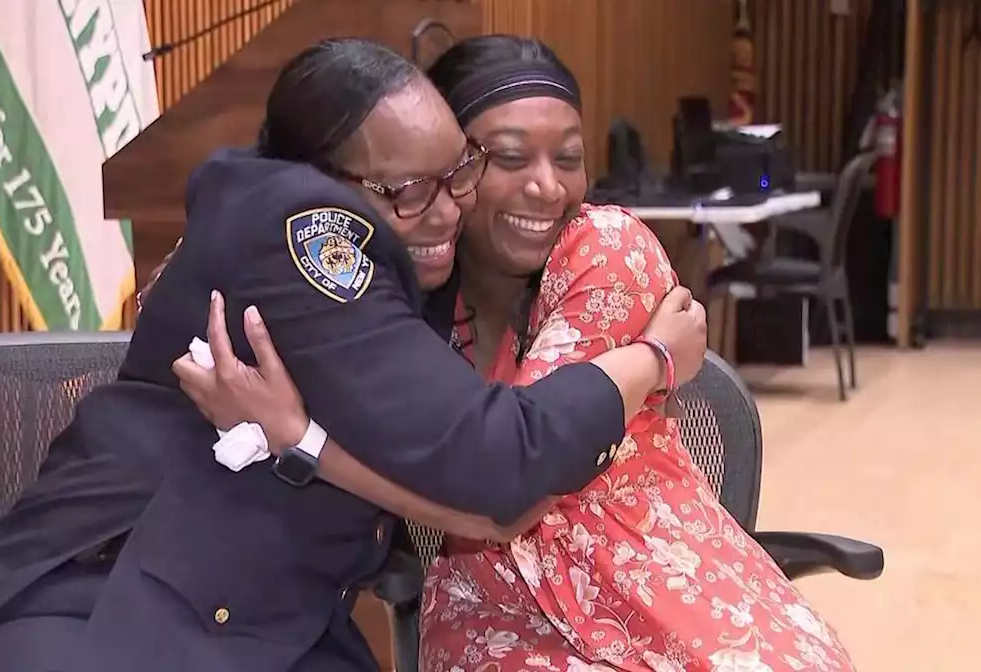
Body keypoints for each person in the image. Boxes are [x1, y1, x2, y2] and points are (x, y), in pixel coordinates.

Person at [0, 38, 707, 672]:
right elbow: (499, 460)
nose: (447, 209)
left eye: (456, 172)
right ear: (327, 181)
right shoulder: (312, 230)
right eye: (408, 189)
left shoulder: (355, 241)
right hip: (107, 612)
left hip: (266, 623)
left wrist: (302, 442)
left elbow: (489, 510)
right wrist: (652, 360)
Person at [175, 35, 856, 672]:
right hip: (493, 622)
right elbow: (171, 302)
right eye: (507, 158)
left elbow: (519, 470)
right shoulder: (400, 300)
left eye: (567, 157)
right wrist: (297, 433)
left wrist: (303, 438)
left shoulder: (605, 247)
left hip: (669, 606)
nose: (548, 187)